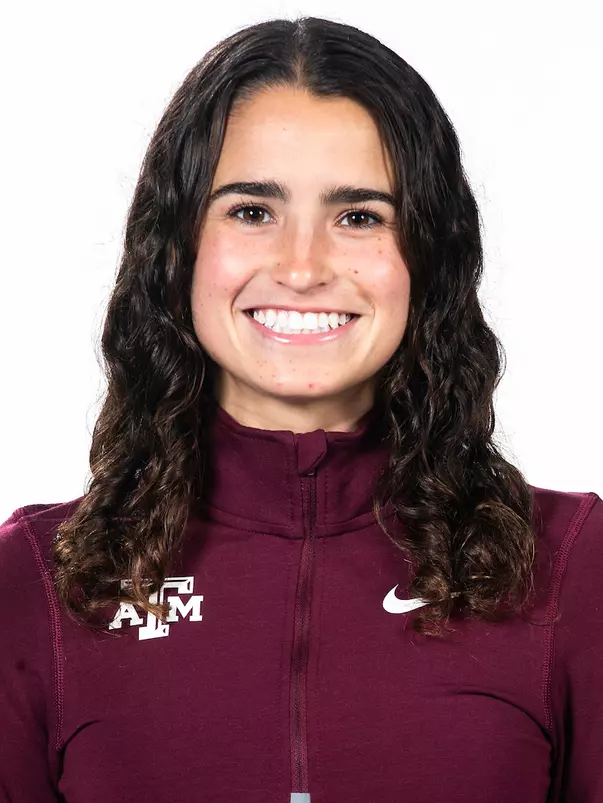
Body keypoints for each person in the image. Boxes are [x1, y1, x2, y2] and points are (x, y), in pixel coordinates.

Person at [0, 15, 601, 803]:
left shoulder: (568, 567)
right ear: (179, 245)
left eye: (359, 216)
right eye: (252, 210)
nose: (303, 265)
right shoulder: (37, 582)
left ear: (427, 253)